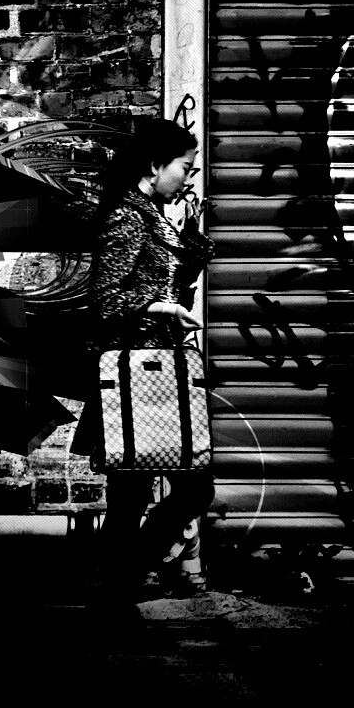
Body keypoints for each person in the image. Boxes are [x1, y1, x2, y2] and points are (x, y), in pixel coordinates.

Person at [73, 117, 216, 598]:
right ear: (155, 166)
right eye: (185, 167)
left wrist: (189, 235)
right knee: (179, 487)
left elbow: (171, 281)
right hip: (137, 373)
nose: (189, 177)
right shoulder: (128, 216)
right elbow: (105, 299)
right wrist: (163, 308)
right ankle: (126, 572)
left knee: (132, 491)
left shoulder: (151, 213)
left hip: (155, 370)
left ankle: (120, 575)